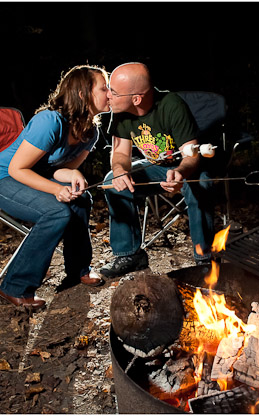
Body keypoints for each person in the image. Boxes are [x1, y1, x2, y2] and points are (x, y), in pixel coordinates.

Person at [0, 65, 109, 310]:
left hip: (35, 177)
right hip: (4, 179)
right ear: (83, 94)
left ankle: (78, 269)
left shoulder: (90, 131)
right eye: (104, 88)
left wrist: (73, 174)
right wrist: (55, 190)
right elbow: (17, 169)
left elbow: (58, 170)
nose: (111, 93)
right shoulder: (49, 122)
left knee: (81, 200)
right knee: (56, 212)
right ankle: (15, 286)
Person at [98, 62, 215, 278]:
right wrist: (119, 171)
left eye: (113, 92)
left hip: (186, 168)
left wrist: (180, 172)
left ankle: (204, 259)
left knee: (201, 182)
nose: (108, 96)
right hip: (156, 168)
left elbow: (191, 155)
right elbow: (121, 154)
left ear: (136, 98)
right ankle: (130, 255)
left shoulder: (171, 105)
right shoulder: (120, 111)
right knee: (111, 182)